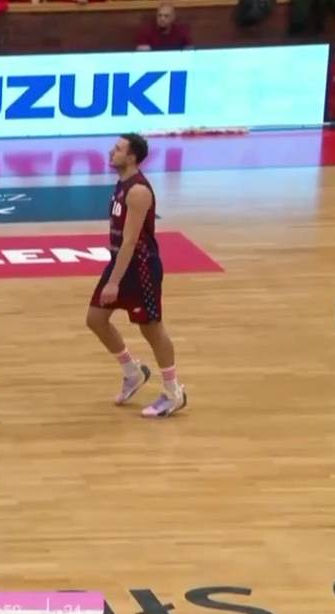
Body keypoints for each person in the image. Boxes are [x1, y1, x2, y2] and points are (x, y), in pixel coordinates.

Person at [86, 133, 187, 418]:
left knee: (151, 329)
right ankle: (133, 371)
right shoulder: (122, 184)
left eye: (118, 149)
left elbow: (130, 241)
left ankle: (173, 392)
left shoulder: (138, 191)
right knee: (95, 319)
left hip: (140, 267)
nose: (111, 152)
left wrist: (114, 282)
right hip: (121, 262)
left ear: (132, 157)